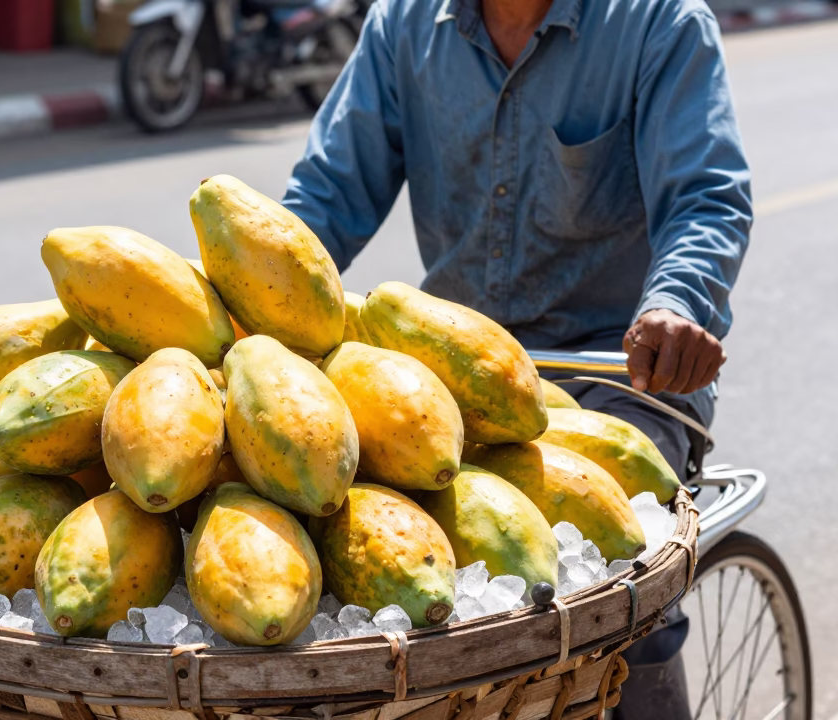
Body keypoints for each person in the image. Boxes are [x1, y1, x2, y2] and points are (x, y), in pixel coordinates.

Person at [280, 0, 751, 713]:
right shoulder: (403, 27)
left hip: (617, 374)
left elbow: (705, 199)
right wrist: (250, 299)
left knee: (620, 585)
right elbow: (324, 197)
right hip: (444, 384)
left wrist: (675, 307)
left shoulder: (659, 22)